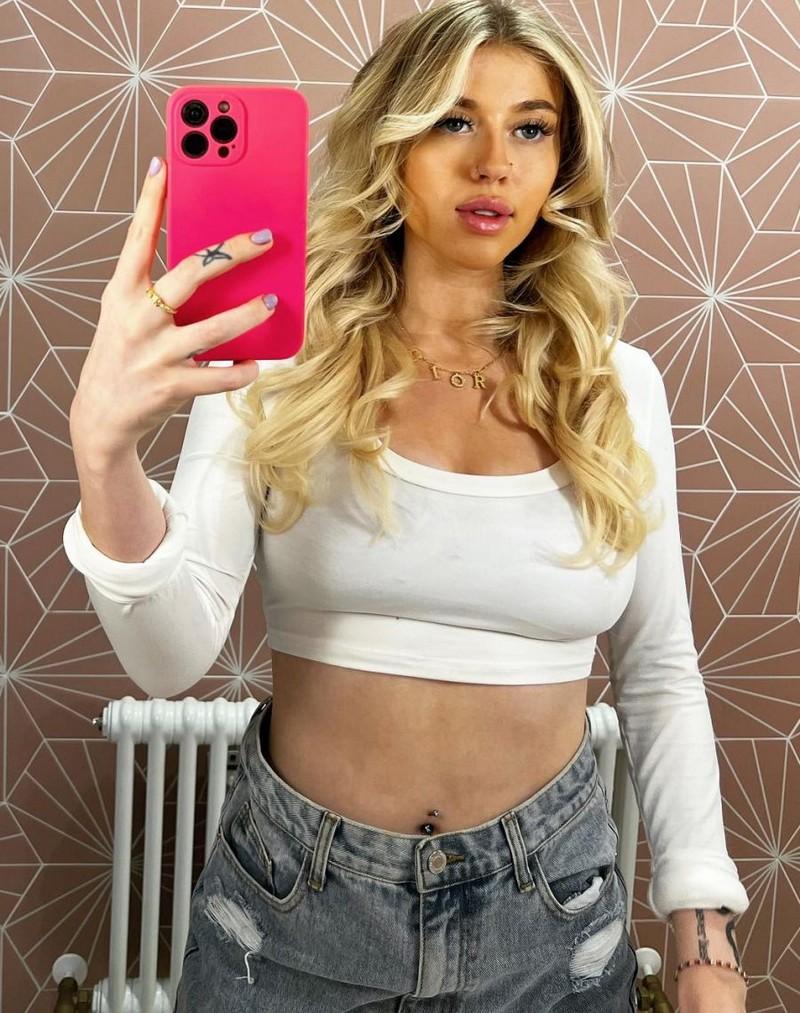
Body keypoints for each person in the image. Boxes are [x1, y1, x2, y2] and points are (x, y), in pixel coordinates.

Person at [63, 1, 750, 1009]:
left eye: (530, 127)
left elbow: (657, 669)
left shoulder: (616, 385)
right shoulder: (277, 359)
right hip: (293, 914)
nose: (493, 162)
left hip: (551, 920)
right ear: (392, 141)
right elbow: (167, 656)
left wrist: (702, 942)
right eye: (453, 119)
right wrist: (105, 451)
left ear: (562, 160)